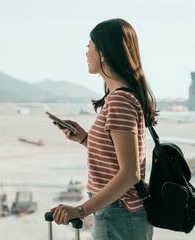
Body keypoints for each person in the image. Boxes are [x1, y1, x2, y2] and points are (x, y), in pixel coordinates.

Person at [51, 18, 159, 240]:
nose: (86, 53)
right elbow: (117, 161)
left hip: (119, 214)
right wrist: (84, 139)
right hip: (117, 212)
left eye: (89, 46)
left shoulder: (120, 100)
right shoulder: (121, 97)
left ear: (104, 53)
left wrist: (80, 210)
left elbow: (130, 174)